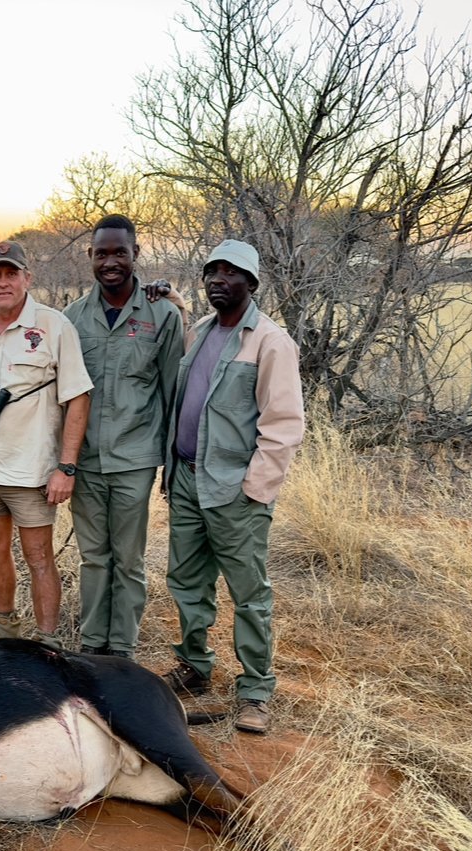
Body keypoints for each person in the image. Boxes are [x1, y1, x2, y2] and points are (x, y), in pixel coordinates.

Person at [163, 239, 304, 734]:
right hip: (185, 479)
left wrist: (255, 489)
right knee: (186, 581)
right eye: (212, 271)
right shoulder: (200, 332)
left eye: (231, 272)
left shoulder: (269, 341)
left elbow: (284, 423)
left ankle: (255, 690)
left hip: (234, 490)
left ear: (252, 283)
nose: (219, 279)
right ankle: (194, 666)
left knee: (248, 594)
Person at [0, 241, 93, 646]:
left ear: (27, 278)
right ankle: (5, 634)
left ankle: (47, 644)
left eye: (11, 274)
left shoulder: (53, 327)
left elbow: (78, 397)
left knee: (38, 557)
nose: (3, 282)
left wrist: (66, 467)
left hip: (30, 468)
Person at [64, 214, 183, 660]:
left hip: (135, 459)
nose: (110, 261)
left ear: (136, 254)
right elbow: (64, 398)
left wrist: (171, 466)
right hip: (86, 459)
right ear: (90, 258)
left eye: (119, 252)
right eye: (101, 253)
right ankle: (94, 648)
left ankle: (123, 652)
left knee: (128, 560)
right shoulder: (72, 318)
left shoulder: (162, 314)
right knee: (94, 558)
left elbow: (172, 392)